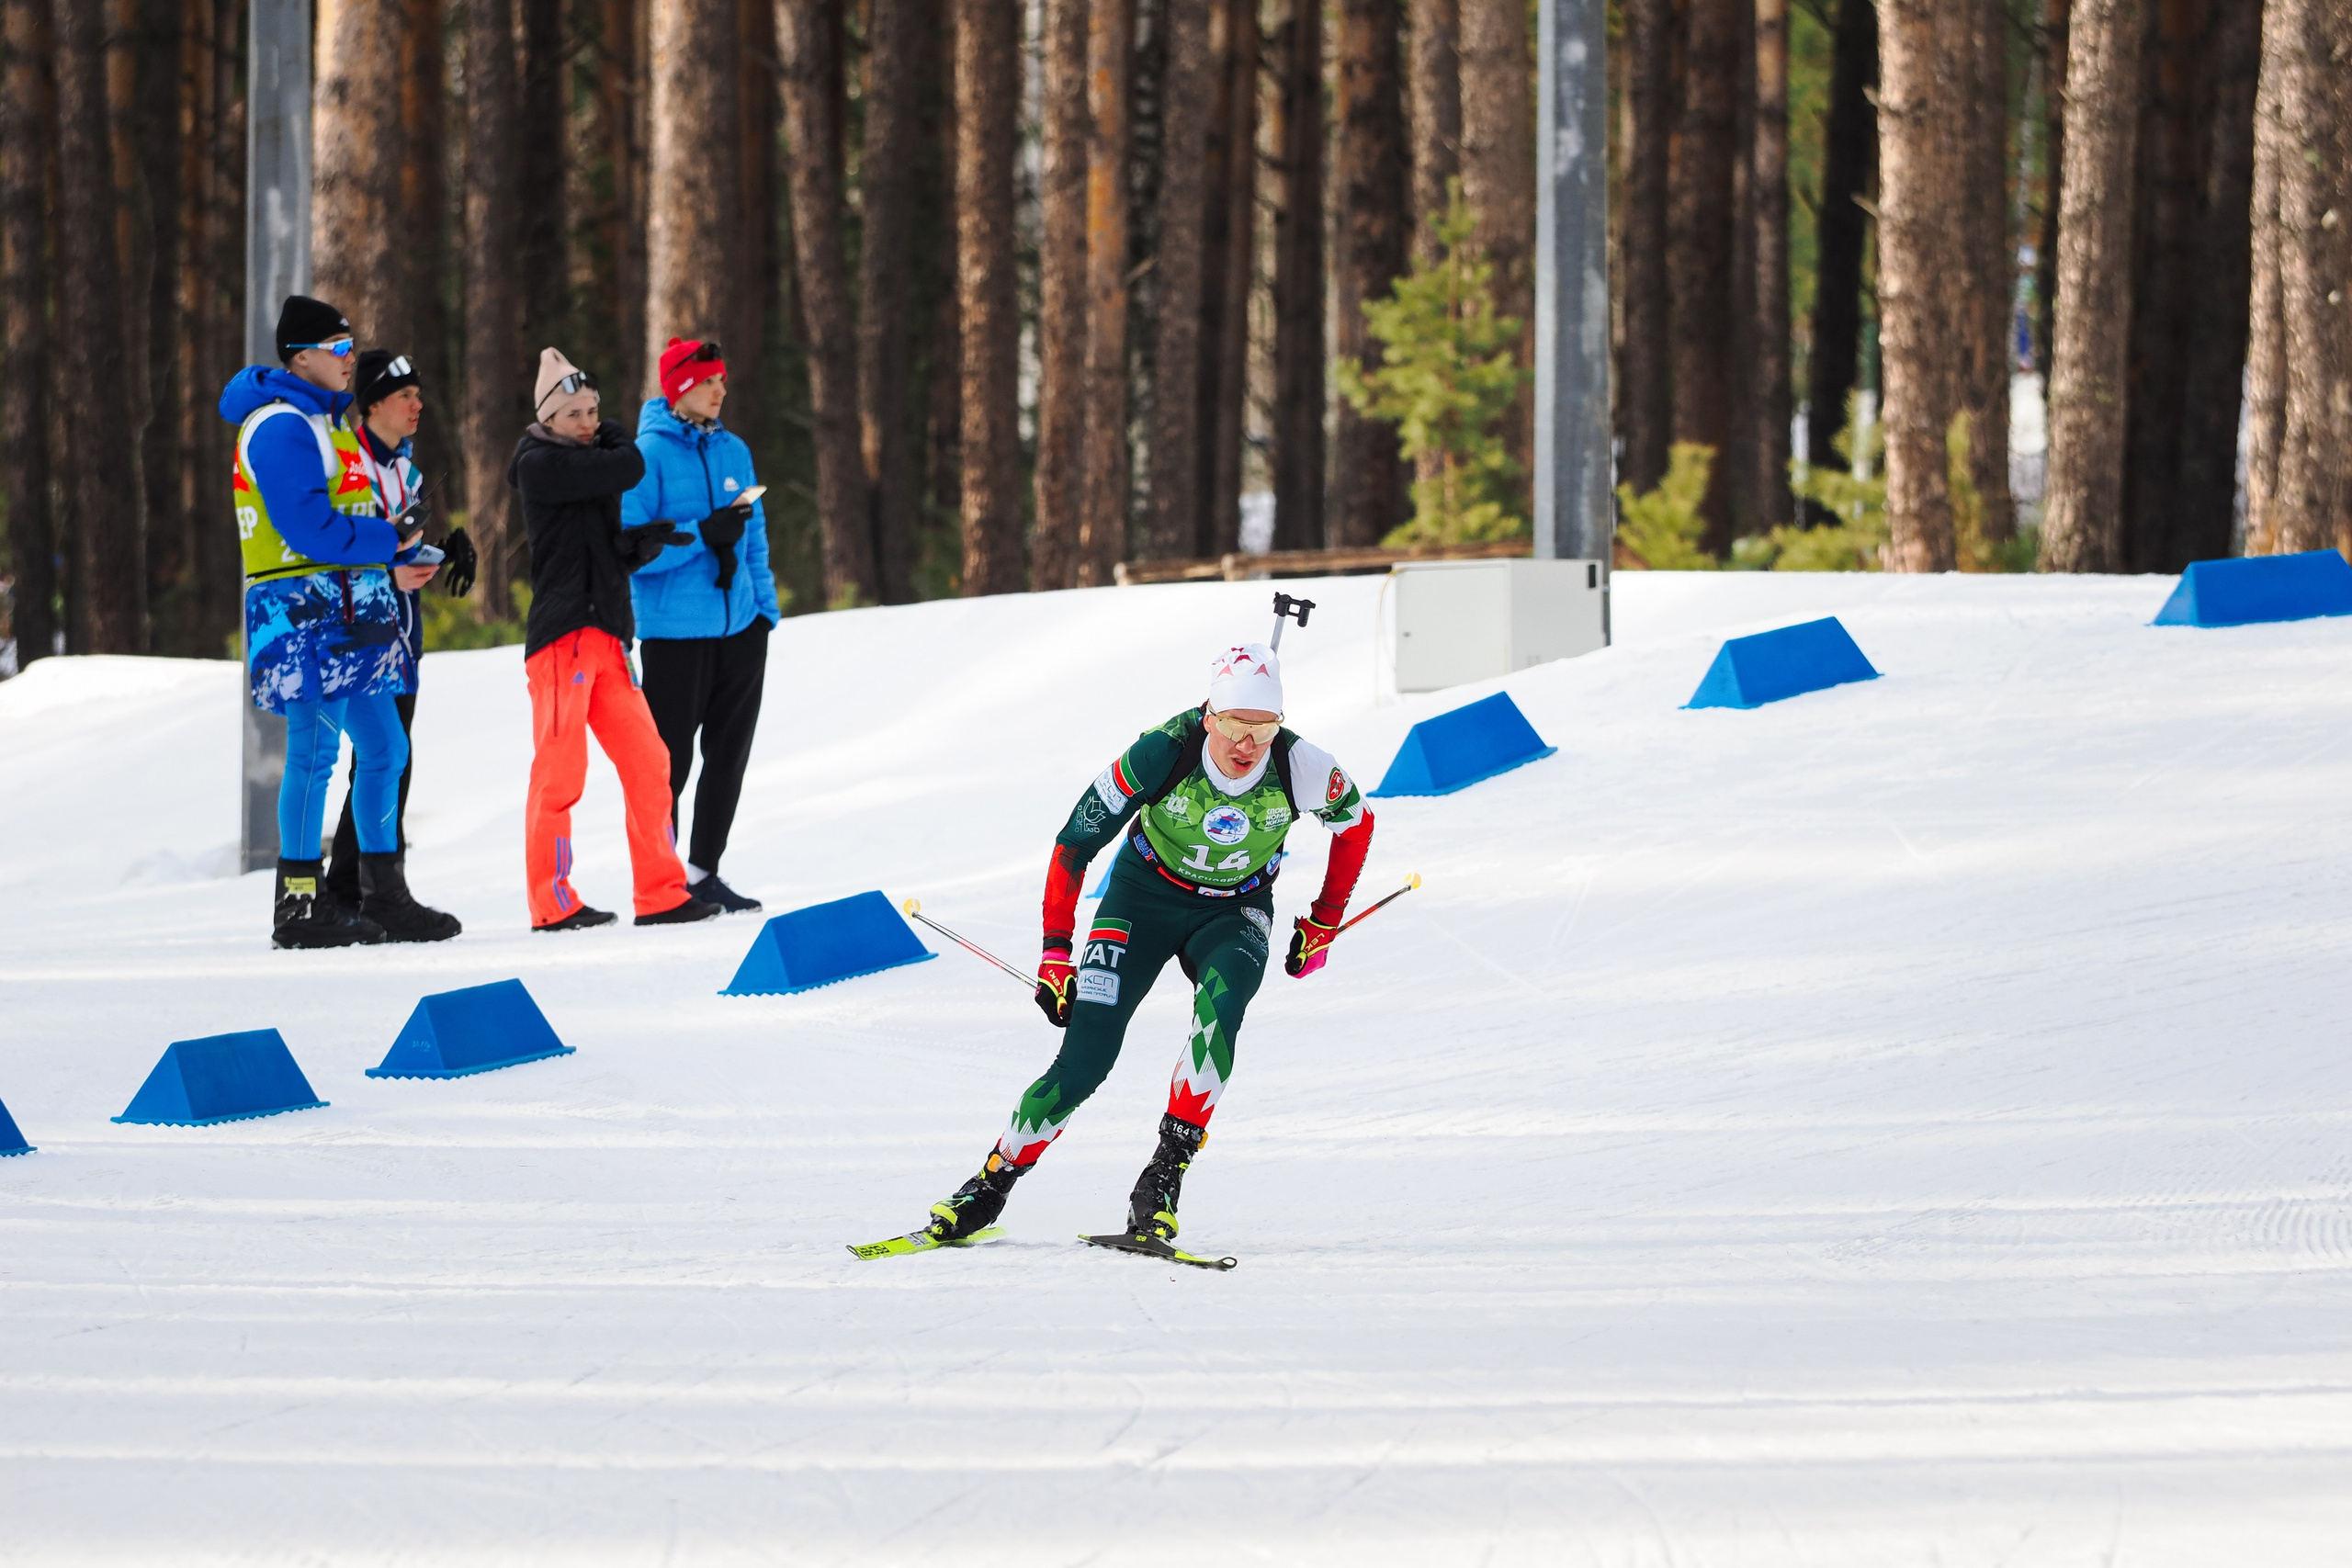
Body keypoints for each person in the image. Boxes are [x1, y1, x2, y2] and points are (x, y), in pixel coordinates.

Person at [910, 642, 1376, 1249]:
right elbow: (1073, 841)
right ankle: (989, 1185)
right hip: (1141, 899)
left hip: (1235, 912)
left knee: (1222, 1012)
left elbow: (1357, 823)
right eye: (1235, 726)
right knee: (1085, 1059)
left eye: (1262, 730)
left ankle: (1160, 1184)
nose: (1246, 746)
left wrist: (1324, 919)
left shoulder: (1302, 765)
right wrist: (1056, 951)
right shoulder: (1163, 749)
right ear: (1209, 714)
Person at [220, 295, 441, 949]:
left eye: (351, 345)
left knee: (385, 749)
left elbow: (349, 516)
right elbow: (307, 527)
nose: (350, 358)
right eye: (339, 349)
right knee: (314, 753)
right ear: (302, 356)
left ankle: (384, 892)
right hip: (302, 614)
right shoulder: (280, 425)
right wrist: (388, 540)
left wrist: (394, 550)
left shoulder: (328, 423)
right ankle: (297, 902)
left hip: (350, 609)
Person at [510, 346, 719, 931]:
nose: (588, 423)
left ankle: (662, 892)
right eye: (575, 413)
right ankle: (550, 903)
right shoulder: (539, 462)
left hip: (607, 638)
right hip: (561, 642)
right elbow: (628, 467)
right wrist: (623, 434)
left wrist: (635, 547)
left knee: (651, 762)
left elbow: (586, 547)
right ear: (548, 418)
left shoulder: (585, 459)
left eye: (594, 410)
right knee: (560, 772)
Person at [620, 336, 781, 914]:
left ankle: (703, 871)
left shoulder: (735, 449)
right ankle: (660, 883)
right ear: (681, 386)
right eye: (710, 380)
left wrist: (764, 612)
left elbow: (755, 536)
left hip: (740, 628)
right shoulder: (648, 456)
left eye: (722, 379)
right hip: (673, 634)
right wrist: (700, 535)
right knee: (670, 761)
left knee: (729, 754)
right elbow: (631, 551)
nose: (721, 388)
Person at [322, 349, 471, 941]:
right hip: (355, 633)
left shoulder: (405, 467)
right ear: (375, 403)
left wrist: (442, 551)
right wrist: (389, 570)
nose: (418, 405)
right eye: (406, 396)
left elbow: (401, 544)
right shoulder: (344, 461)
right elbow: (332, 549)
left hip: (401, 633)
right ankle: (358, 891)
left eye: (418, 396)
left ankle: (355, 887)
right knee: (374, 758)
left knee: (389, 759)